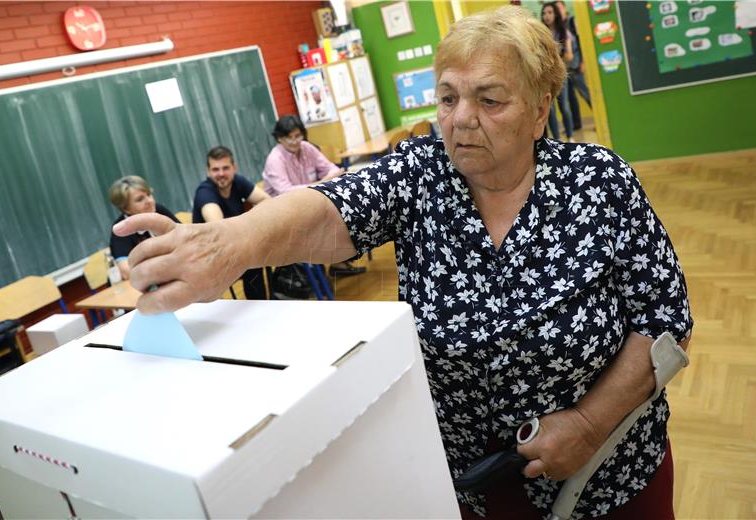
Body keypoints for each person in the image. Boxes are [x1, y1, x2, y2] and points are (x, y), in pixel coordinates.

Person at [116, 6, 692, 519]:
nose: (460, 118)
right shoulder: (421, 174)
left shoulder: (599, 182)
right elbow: (327, 210)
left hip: (609, 480)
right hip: (473, 489)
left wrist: (589, 425)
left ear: (541, 110)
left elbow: (665, 320)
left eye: (489, 100)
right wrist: (230, 243)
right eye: (447, 97)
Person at [262, 114, 365, 277]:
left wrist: (325, 180)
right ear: (279, 139)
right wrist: (320, 183)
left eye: (298, 136)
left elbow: (332, 169)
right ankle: (322, 269)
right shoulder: (275, 159)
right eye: (289, 138)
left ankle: (338, 261)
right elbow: (285, 192)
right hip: (282, 212)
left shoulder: (306, 147)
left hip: (307, 201)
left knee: (343, 210)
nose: (295, 141)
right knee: (324, 220)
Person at [192, 145, 271, 300]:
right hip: (210, 260)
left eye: (225, 168)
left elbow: (266, 201)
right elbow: (218, 226)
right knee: (252, 262)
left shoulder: (238, 182)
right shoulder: (205, 192)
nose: (221, 174)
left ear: (234, 168)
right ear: (208, 172)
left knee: (261, 257)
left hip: (234, 249)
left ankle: (263, 305)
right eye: (215, 169)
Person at [107, 175, 179, 280]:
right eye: (140, 199)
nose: (149, 201)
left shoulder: (159, 210)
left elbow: (185, 237)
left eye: (149, 194)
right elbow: (126, 272)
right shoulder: (121, 228)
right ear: (126, 209)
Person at [556, 0, 592, 131]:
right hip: (565, 69)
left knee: (585, 92)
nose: (558, 10)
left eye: (560, 7)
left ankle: (598, 119)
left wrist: (582, 61)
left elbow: (580, 40)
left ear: (565, 8)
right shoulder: (558, 26)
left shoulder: (571, 21)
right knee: (571, 98)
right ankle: (576, 124)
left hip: (575, 65)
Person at [542, 1, 574, 141]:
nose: (546, 16)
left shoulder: (563, 32)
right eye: (544, 13)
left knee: (564, 106)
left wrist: (555, 62)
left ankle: (570, 136)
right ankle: (556, 140)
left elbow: (569, 55)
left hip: (560, 75)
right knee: (550, 110)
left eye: (549, 12)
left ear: (555, 14)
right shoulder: (541, 34)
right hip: (545, 77)